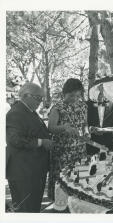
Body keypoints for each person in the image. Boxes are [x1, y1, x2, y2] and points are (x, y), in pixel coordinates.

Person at [6, 83, 53, 212]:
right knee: (26, 210)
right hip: (23, 172)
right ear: (26, 96)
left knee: (33, 208)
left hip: (34, 170)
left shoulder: (29, 111)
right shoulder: (16, 112)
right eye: (38, 98)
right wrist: (41, 142)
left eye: (42, 98)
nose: (41, 101)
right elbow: (14, 139)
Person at [48, 78, 89, 201]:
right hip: (63, 152)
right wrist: (64, 128)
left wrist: (86, 132)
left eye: (78, 95)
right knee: (63, 182)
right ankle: (61, 206)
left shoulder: (83, 106)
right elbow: (51, 128)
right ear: (64, 93)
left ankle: (79, 205)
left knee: (80, 179)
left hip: (80, 150)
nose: (75, 99)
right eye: (71, 96)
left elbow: (85, 123)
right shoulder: (57, 108)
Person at [86, 84, 113, 154]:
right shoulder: (87, 105)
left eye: (104, 89)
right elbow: (83, 123)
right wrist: (90, 129)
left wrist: (106, 130)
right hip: (92, 143)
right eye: (99, 89)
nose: (101, 92)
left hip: (107, 143)